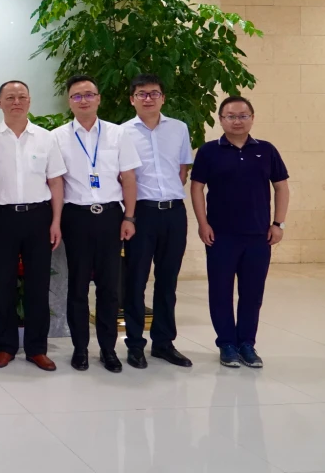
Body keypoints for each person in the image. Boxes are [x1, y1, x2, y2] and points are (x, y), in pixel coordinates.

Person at [190, 96, 289, 369]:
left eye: (243, 116)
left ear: (252, 118)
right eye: (231, 116)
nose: (237, 121)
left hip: (259, 235)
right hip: (220, 235)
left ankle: (247, 344)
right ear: (221, 120)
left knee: (252, 293)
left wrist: (278, 224)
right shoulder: (209, 151)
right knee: (220, 292)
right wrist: (203, 223)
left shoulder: (266, 150)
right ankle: (227, 344)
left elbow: (281, 186)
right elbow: (197, 187)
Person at [52, 75, 141, 373]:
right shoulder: (57, 137)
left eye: (89, 94)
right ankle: (80, 348)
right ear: (69, 101)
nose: (84, 100)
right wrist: (56, 221)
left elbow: (129, 178)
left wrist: (129, 217)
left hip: (111, 216)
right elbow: (56, 183)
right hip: (75, 216)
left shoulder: (118, 134)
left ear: (98, 98)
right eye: (77, 96)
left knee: (109, 287)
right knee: (77, 286)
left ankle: (108, 349)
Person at [0, 80, 65, 372]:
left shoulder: (46, 138)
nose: (16, 101)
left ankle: (37, 348)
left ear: (29, 101)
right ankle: (5, 346)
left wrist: (56, 221)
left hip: (38, 217)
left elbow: (55, 182)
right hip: (0, 217)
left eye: (21, 97)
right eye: (10, 97)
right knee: (3, 284)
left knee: (38, 285)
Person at [122, 74, 195, 369]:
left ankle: (163, 343)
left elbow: (182, 170)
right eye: (141, 93)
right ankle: (135, 344)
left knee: (168, 281)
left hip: (174, 213)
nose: (148, 98)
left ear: (163, 98)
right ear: (132, 99)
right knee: (136, 280)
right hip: (141, 214)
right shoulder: (121, 133)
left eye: (154, 93)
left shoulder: (179, 128)